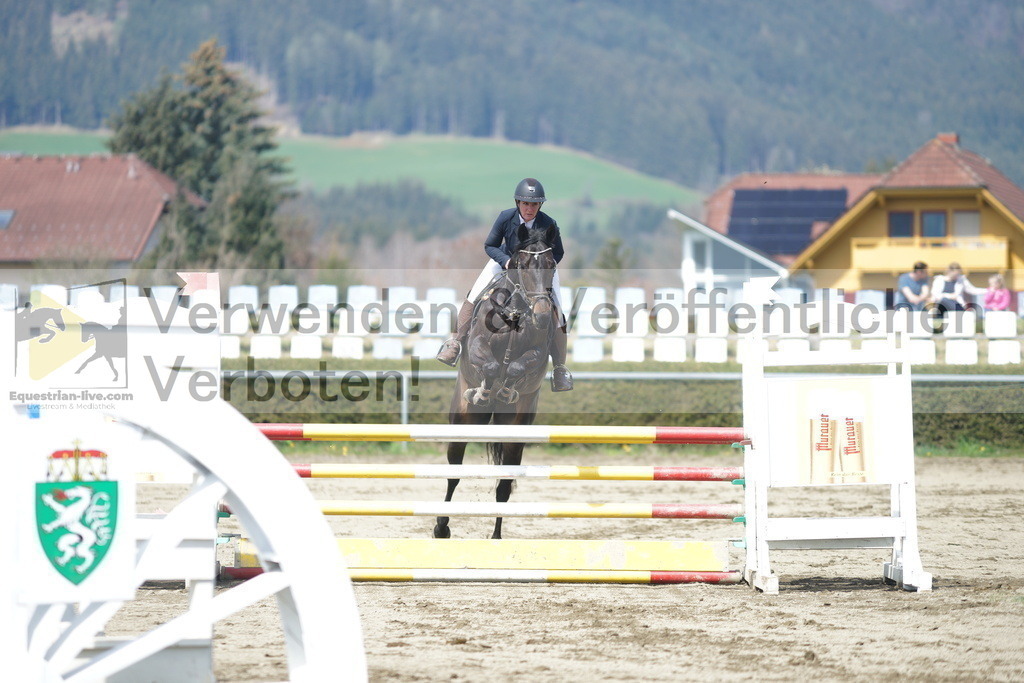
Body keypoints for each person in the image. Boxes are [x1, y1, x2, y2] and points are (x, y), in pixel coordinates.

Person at [435, 178, 573, 392]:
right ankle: (455, 343)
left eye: (534, 204)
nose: (530, 208)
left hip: (537, 270)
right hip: (504, 262)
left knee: (557, 308)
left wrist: (543, 270)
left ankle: (560, 369)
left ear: (540, 205)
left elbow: (559, 252)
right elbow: (490, 245)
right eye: (526, 204)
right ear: (518, 202)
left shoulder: (549, 224)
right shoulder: (505, 217)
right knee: (475, 293)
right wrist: (506, 262)